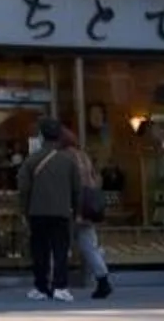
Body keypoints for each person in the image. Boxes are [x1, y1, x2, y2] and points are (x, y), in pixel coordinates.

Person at [20, 119, 78, 301]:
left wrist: (24, 211)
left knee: (40, 251)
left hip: (37, 212)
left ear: (41, 136)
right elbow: (77, 189)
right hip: (61, 212)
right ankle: (60, 286)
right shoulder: (68, 161)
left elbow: (23, 189)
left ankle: (41, 286)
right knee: (60, 249)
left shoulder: (31, 160)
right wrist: (75, 211)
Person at [64, 128, 111, 301]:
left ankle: (58, 283)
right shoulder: (83, 156)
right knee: (90, 246)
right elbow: (94, 178)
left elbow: (69, 183)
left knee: (62, 245)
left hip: (73, 206)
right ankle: (103, 279)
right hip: (87, 206)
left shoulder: (65, 157)